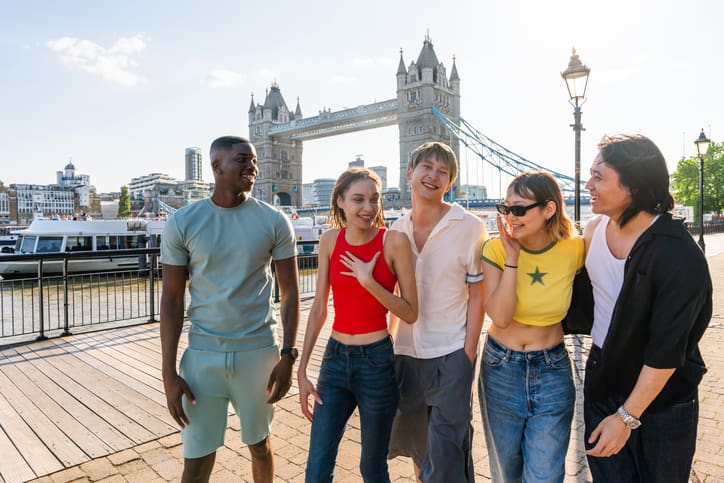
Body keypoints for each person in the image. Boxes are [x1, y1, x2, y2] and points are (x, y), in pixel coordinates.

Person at [160, 136, 300, 483]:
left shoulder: (275, 220)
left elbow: (290, 292)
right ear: (217, 166)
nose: (252, 167)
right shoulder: (182, 222)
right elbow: (172, 300)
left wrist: (288, 356)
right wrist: (168, 374)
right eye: (242, 160)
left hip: (258, 354)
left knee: (260, 446)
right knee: (196, 459)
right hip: (202, 359)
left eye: (254, 161)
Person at [581, 134, 712, 482]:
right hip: (603, 381)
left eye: (598, 176)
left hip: (664, 395)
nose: (588, 184)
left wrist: (626, 417)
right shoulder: (593, 232)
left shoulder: (678, 253)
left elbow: (666, 350)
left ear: (633, 186)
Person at [298, 167, 418, 482]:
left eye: (374, 199)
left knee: (372, 469)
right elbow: (319, 308)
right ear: (340, 201)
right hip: (334, 361)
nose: (368, 207)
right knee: (316, 469)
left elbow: (410, 312)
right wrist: (302, 369)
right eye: (358, 199)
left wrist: (369, 282)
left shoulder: (394, 241)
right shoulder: (329, 240)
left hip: (376, 364)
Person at [387, 141, 488, 482]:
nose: (433, 175)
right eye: (426, 167)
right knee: (418, 448)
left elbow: (477, 294)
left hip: (450, 352)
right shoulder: (395, 230)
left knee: (447, 453)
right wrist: (389, 343)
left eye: (442, 172)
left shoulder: (469, 226)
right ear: (409, 173)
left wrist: (468, 352)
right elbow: (395, 294)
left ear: (449, 183)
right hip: (405, 352)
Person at [479, 171, 584, 482]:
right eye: (506, 208)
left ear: (549, 209)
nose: (510, 217)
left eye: (519, 209)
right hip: (501, 368)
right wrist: (512, 258)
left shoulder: (575, 249)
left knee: (545, 476)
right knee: (506, 473)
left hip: (553, 369)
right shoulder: (495, 249)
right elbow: (500, 317)